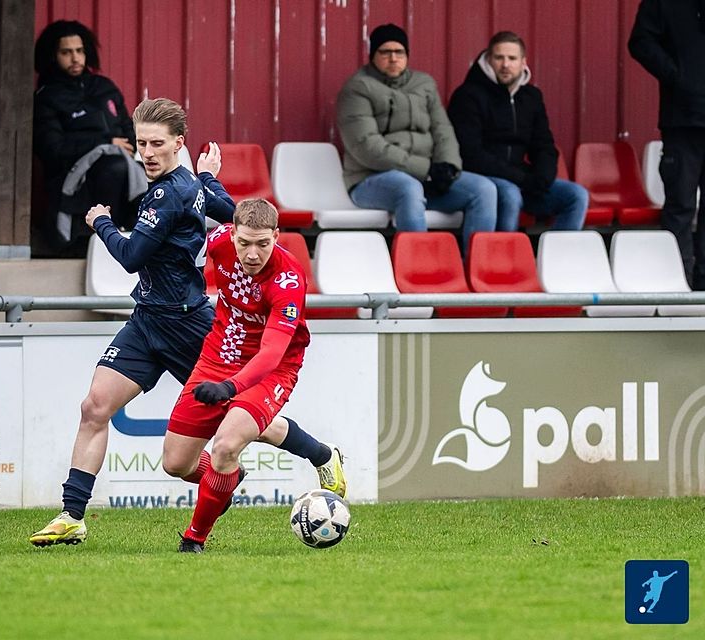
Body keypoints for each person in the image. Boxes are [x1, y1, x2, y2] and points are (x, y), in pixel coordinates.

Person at [29, 99, 346, 548]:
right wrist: (209, 177)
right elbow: (234, 213)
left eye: (157, 144)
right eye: (141, 144)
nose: (148, 153)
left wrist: (101, 222)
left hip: (187, 322)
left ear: (179, 143)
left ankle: (312, 453)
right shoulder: (190, 184)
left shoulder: (168, 192)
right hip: (146, 321)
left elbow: (131, 256)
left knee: (237, 416)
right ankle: (73, 515)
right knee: (95, 407)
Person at [168, 199, 315, 553]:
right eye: (244, 242)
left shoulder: (289, 278)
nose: (252, 254)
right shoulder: (217, 242)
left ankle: (194, 539)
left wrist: (228, 388)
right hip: (219, 354)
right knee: (176, 463)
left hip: (273, 367)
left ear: (276, 237)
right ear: (231, 234)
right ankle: (229, 476)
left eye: (263, 244)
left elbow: (272, 353)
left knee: (225, 445)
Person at [337, 23, 496, 252]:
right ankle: (418, 266)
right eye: (385, 52)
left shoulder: (424, 84)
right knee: (408, 187)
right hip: (371, 179)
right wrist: (428, 169)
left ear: (407, 55)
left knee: (483, 189)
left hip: (425, 177)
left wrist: (448, 167)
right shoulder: (357, 88)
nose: (393, 58)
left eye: (399, 52)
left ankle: (473, 267)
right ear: (373, 55)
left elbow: (443, 130)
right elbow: (367, 146)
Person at [447, 31, 588, 232]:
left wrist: (543, 178)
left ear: (523, 62)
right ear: (488, 60)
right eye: (499, 58)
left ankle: (557, 258)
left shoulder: (532, 96)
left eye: (512, 58)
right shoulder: (468, 95)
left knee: (576, 195)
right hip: (484, 178)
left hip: (523, 179)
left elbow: (544, 145)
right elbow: (471, 154)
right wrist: (522, 179)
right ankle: (505, 258)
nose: (505, 64)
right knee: (511, 194)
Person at [32, 20, 147, 257]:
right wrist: (103, 144)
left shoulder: (105, 88)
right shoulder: (48, 97)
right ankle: (97, 238)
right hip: (74, 176)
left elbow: (130, 130)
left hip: (122, 167)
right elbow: (51, 149)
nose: (75, 58)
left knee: (151, 176)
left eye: (79, 50)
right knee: (114, 168)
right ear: (53, 56)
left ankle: (143, 241)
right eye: (66, 52)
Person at [629, 0, 705, 289]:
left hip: (684, 115)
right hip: (682, 121)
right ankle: (678, 285)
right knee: (680, 206)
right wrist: (676, 76)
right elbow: (639, 41)